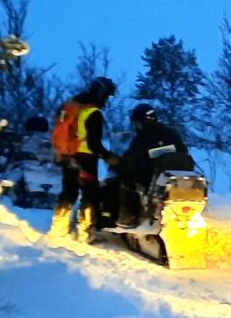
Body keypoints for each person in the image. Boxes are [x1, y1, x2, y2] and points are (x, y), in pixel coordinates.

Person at [50, 77, 119, 241]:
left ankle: (58, 227)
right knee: (90, 193)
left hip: (68, 156)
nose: (107, 100)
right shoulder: (93, 113)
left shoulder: (74, 106)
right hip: (86, 159)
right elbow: (94, 144)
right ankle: (86, 231)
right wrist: (109, 157)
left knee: (69, 191)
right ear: (101, 94)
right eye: (107, 96)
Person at [111, 103, 195, 227]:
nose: (136, 127)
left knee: (125, 181)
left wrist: (120, 166)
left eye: (136, 124)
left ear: (139, 122)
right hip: (177, 178)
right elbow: (183, 151)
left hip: (153, 179)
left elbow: (132, 160)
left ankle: (128, 217)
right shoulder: (171, 133)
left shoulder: (143, 139)